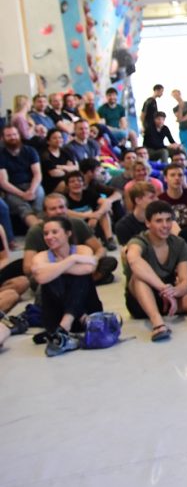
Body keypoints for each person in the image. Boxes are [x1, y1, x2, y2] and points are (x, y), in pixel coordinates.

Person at [125, 200, 187, 341]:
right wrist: (163, 288)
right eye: (159, 221)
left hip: (168, 299)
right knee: (138, 278)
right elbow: (134, 260)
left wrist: (174, 291)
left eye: (168, 220)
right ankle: (158, 324)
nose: (165, 225)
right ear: (148, 223)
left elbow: (186, 281)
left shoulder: (179, 244)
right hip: (140, 301)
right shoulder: (139, 241)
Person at [27, 217, 103, 356]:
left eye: (54, 232)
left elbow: (88, 269)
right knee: (52, 278)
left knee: (76, 277)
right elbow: (41, 278)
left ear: (68, 233)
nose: (49, 237)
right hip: (60, 318)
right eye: (46, 233)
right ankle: (64, 327)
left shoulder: (82, 249)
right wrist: (72, 260)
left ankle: (64, 327)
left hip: (88, 314)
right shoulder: (41, 256)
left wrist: (54, 268)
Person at [0, 124, 44, 229]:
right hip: (12, 189)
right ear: (3, 138)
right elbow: (3, 182)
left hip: (32, 185)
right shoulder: (1, 155)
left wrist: (32, 190)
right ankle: (38, 231)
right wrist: (22, 194)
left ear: (19, 135)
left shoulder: (30, 151)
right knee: (23, 207)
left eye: (15, 134)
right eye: (9, 135)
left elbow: (37, 174)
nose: (12, 137)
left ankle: (41, 229)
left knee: (39, 199)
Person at [159, 163, 187, 227]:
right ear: (165, 178)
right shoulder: (160, 200)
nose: (177, 178)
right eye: (172, 175)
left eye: (180, 175)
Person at [39, 127, 77, 194]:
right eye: (54, 138)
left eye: (60, 137)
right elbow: (54, 173)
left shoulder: (66, 151)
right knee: (71, 184)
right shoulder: (45, 154)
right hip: (51, 184)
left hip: (66, 180)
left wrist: (59, 167)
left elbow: (75, 168)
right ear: (48, 141)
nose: (58, 140)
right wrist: (67, 169)